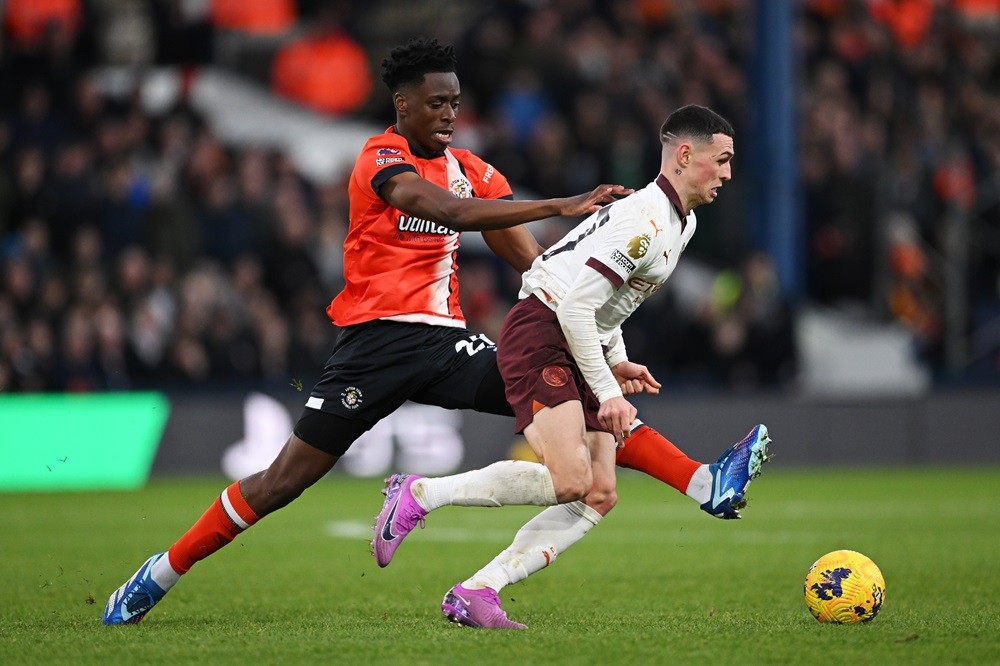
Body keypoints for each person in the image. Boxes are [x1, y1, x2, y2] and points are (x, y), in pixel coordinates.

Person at [99, 38, 704, 626]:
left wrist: (586, 336)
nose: (448, 115)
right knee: (282, 482)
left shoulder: (471, 169)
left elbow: (533, 263)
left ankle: (701, 483)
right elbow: (452, 213)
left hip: (445, 345)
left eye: (455, 103)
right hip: (374, 345)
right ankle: (160, 573)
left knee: (585, 401)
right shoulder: (379, 160)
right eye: (436, 103)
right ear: (403, 105)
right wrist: (559, 204)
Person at [371, 104, 772, 630]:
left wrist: (619, 360)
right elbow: (577, 306)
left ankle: (478, 590)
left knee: (599, 493)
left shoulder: (683, 223)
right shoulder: (646, 222)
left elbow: (610, 303)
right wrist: (607, 389)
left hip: (574, 332)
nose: (726, 173)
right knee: (571, 481)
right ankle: (420, 494)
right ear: (684, 154)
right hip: (541, 331)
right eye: (721, 160)